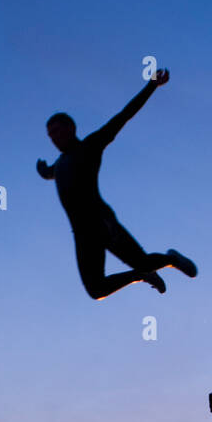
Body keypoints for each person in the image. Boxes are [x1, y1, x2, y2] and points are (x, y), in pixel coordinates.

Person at [37, 68, 197, 300]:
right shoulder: (59, 164)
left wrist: (151, 85)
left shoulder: (89, 147)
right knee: (96, 290)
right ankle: (141, 275)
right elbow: (52, 174)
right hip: (82, 234)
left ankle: (171, 259)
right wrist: (43, 171)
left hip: (102, 222)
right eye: (50, 134)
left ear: (71, 128)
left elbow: (123, 116)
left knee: (142, 261)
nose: (53, 137)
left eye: (57, 131)